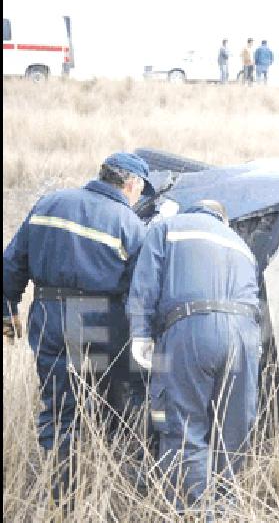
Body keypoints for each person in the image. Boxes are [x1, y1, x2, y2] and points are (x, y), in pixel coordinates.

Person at [3, 152, 153, 505]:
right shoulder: (130, 225)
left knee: (58, 407)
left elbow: (12, 263)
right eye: (141, 190)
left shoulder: (49, 202)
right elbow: (139, 293)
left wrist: (8, 314)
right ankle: (98, 488)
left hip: (48, 316)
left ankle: (60, 496)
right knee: (105, 405)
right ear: (131, 185)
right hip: (98, 321)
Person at [126, 199, 262, 514]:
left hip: (190, 327)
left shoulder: (168, 228)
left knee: (185, 429)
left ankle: (196, 514)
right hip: (244, 335)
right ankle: (225, 510)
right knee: (232, 436)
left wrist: (141, 333)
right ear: (223, 219)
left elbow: (144, 286)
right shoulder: (241, 245)